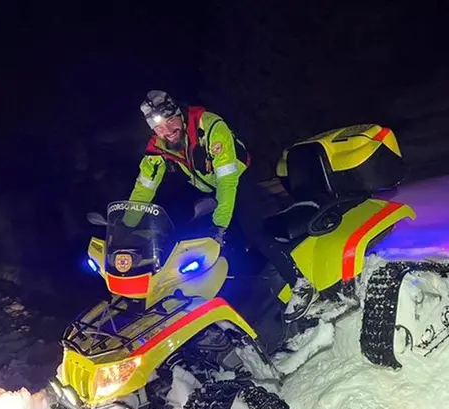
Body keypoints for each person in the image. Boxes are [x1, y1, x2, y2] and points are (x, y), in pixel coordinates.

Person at [128, 90, 317, 320]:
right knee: (184, 229)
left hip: (238, 179)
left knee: (255, 231)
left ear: (179, 113)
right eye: (158, 128)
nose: (167, 132)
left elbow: (228, 182)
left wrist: (220, 224)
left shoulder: (210, 127)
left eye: (170, 122)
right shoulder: (158, 147)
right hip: (208, 187)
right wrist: (127, 226)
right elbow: (144, 189)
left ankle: (300, 283)